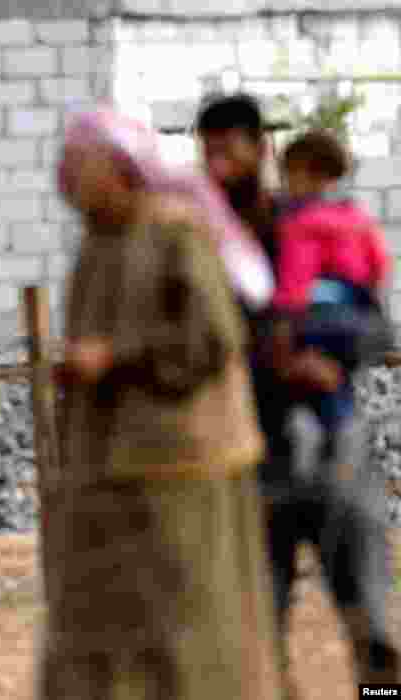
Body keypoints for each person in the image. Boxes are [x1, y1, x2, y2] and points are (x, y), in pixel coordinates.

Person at [36, 104, 281, 700]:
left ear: (118, 167)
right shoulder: (98, 243)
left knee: (186, 623)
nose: (63, 176)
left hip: (184, 465)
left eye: (76, 162)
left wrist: (114, 358)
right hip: (111, 466)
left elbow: (212, 337)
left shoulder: (175, 232)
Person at [196, 93, 399, 688]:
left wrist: (329, 360)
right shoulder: (205, 241)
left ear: (262, 150)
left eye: (228, 153)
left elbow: (375, 320)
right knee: (259, 631)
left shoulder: (315, 223)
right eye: (205, 154)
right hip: (250, 455)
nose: (216, 168)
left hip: (338, 452)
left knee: (372, 622)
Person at [268, 129, 393, 458]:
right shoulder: (356, 217)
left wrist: (284, 324)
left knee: (312, 377)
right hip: (362, 321)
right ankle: (344, 435)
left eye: (287, 175)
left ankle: (333, 437)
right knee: (339, 375)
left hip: (319, 320)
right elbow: (379, 267)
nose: (284, 184)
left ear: (309, 173)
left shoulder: (301, 223)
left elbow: (295, 280)